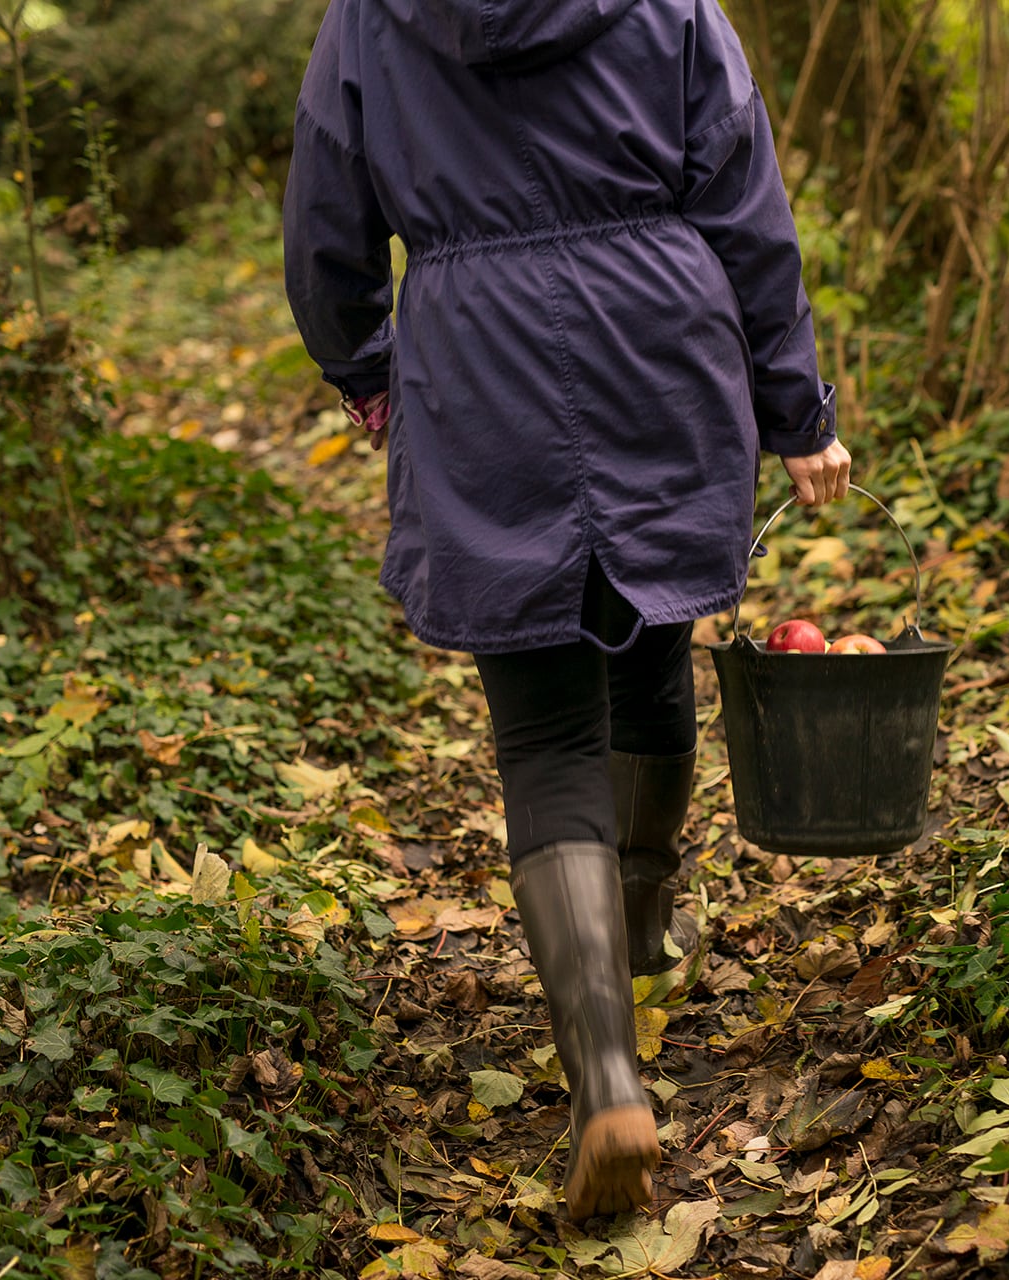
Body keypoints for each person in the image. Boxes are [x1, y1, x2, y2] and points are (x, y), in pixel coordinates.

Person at [283, 0, 851, 1222]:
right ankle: (639, 929)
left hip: (476, 361)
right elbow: (745, 201)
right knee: (651, 649)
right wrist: (796, 405)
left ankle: (604, 1075)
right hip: (657, 343)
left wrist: (367, 370)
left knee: (543, 731)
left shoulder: (369, 16)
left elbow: (325, 215)